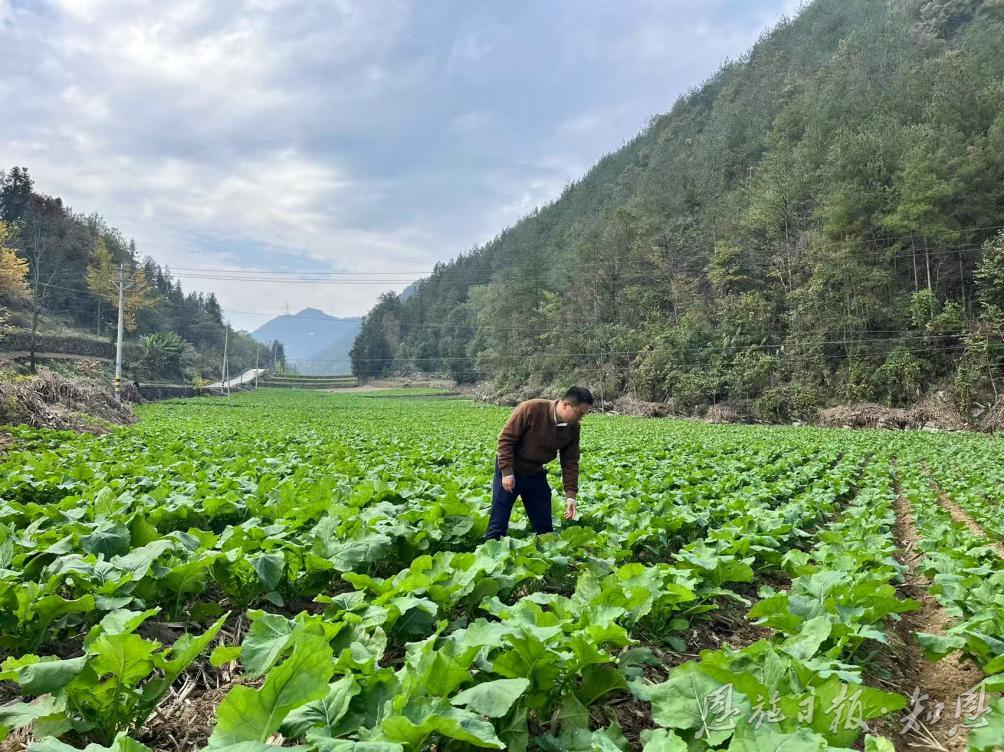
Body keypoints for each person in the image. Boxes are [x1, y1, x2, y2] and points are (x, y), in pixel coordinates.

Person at [485, 386, 593, 540]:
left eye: (583, 415)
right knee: (498, 523)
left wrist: (571, 495)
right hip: (511, 470)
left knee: (545, 528)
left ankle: (546, 552)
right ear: (565, 404)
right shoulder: (530, 409)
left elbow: (570, 461)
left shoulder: (573, 427)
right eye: (579, 414)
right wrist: (507, 472)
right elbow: (506, 440)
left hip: (535, 473)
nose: (580, 419)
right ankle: (491, 549)